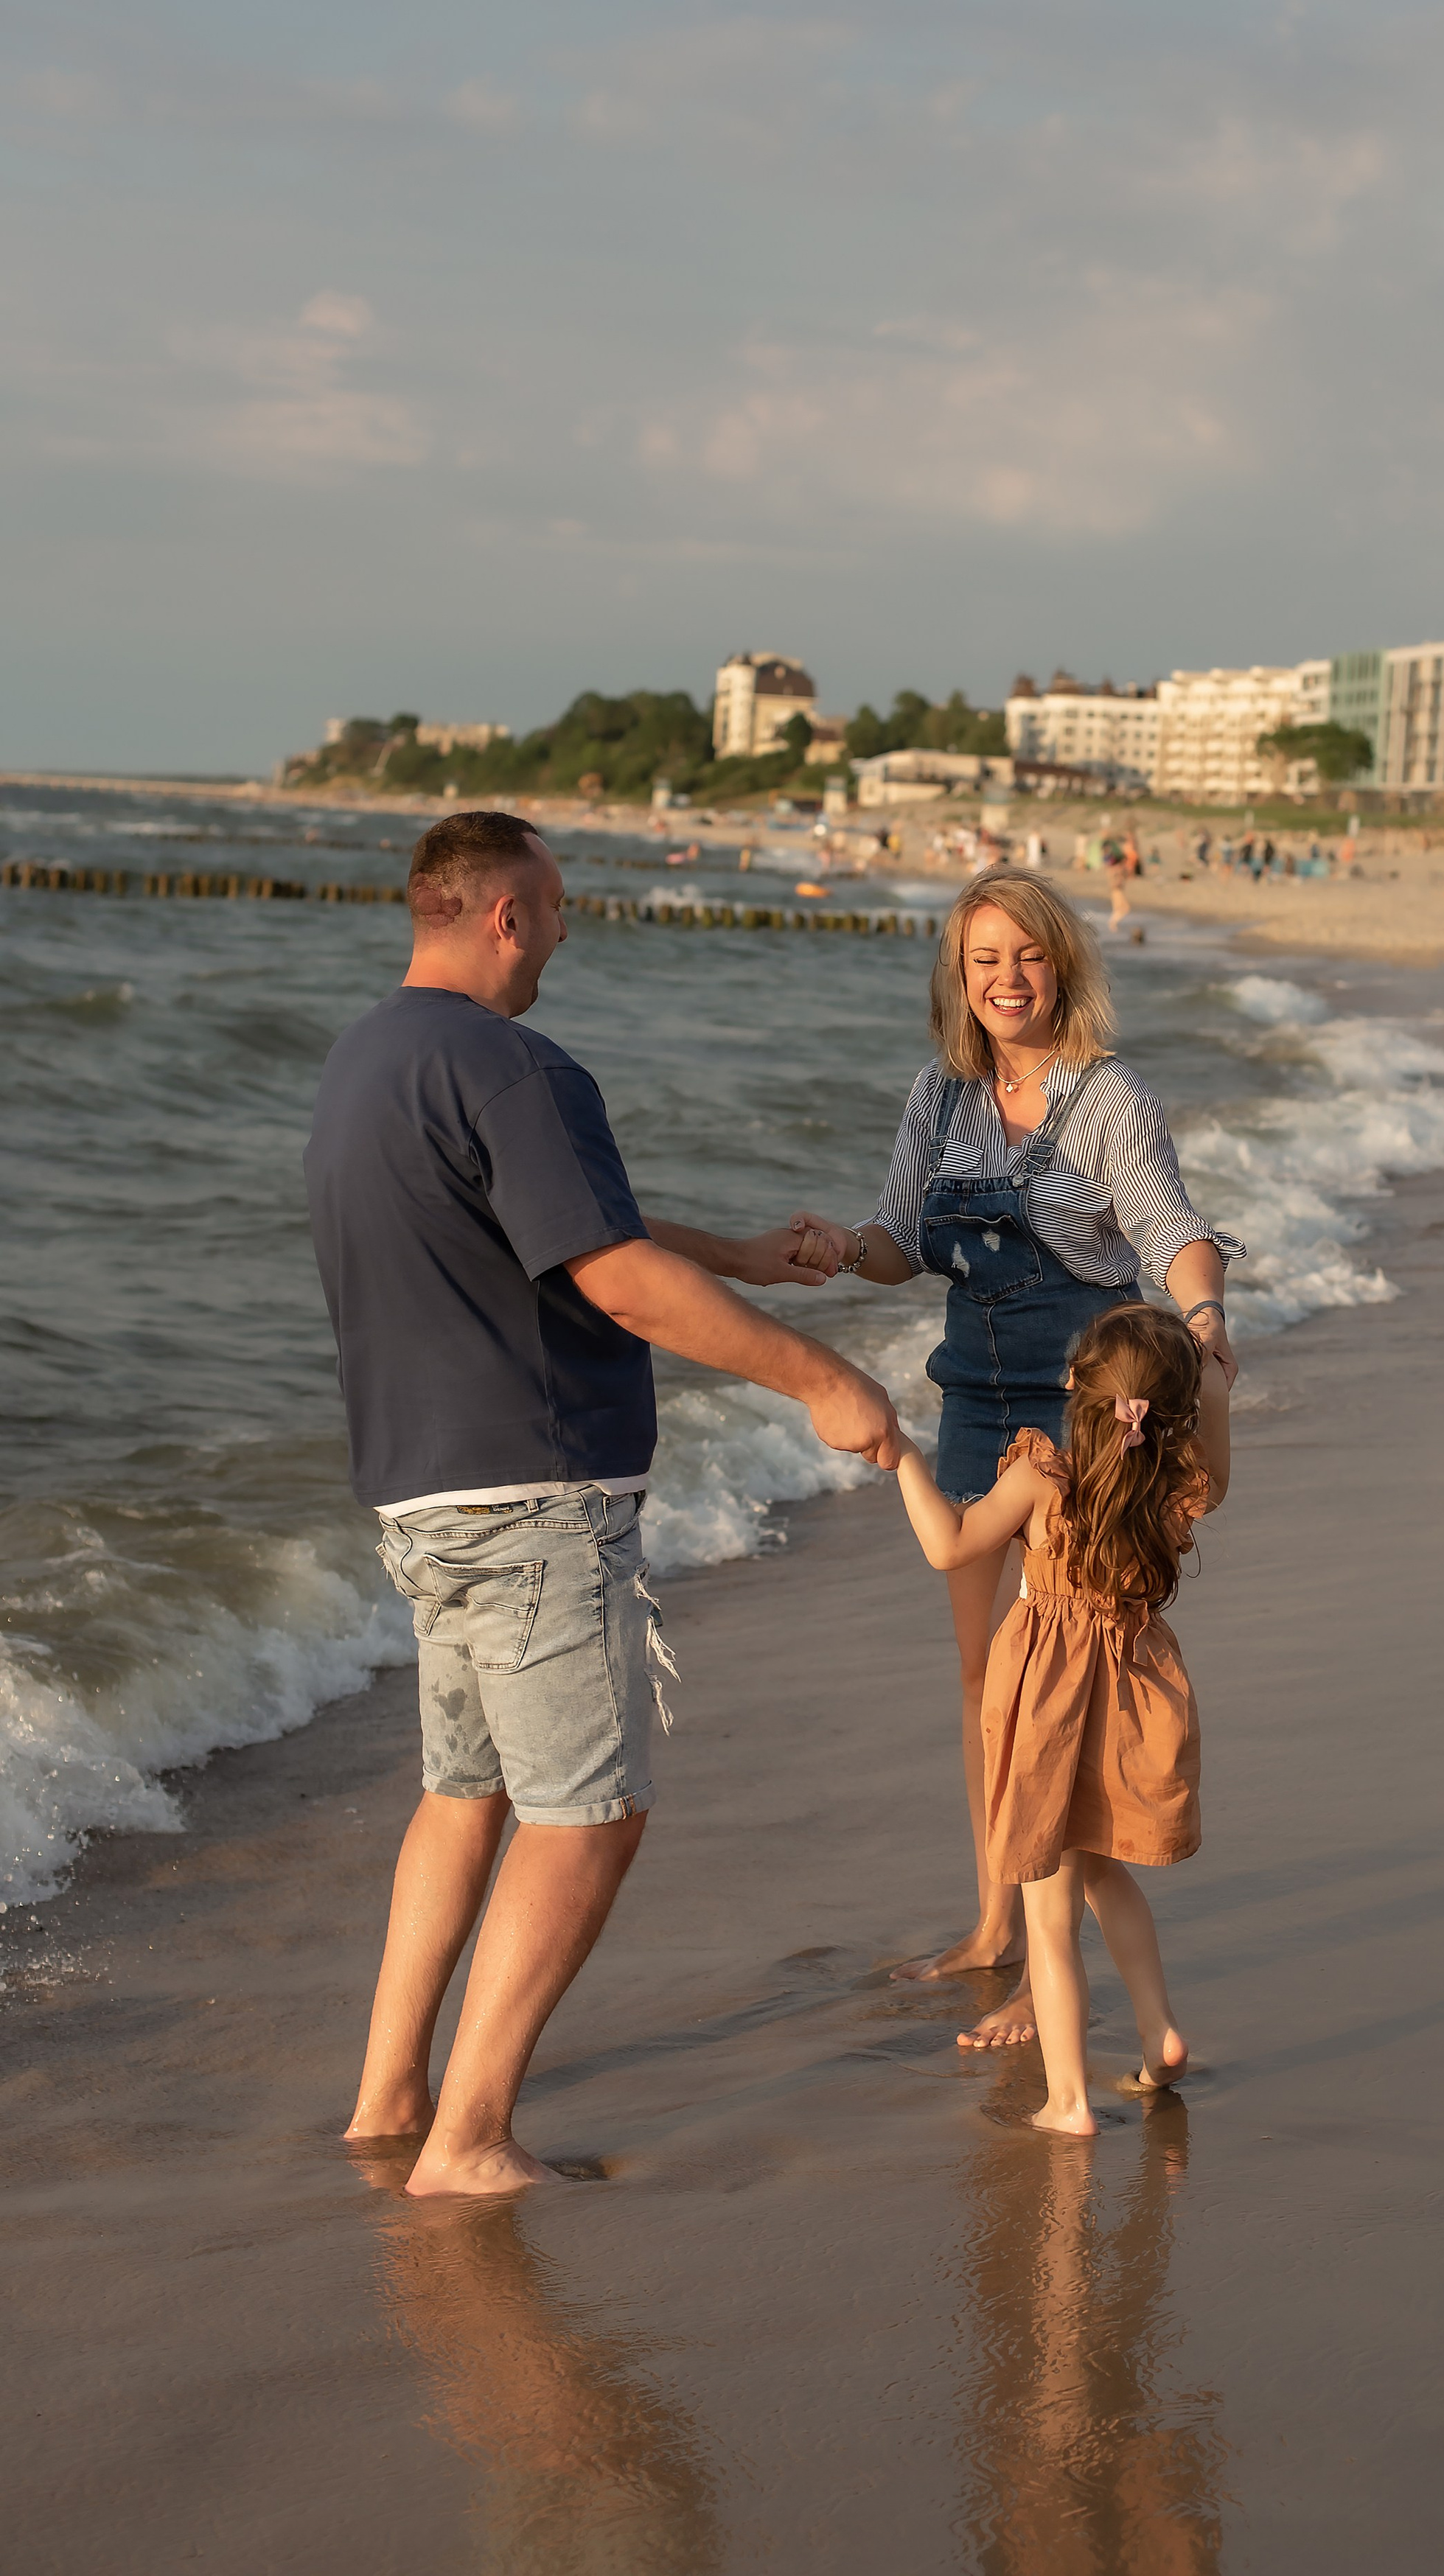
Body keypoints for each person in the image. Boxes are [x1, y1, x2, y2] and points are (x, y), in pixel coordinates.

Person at [304, 811, 899, 2197]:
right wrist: (819, 1379)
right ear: (504, 912)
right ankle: (470, 2139)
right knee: (590, 1812)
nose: (565, 934)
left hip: (420, 1496)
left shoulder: (363, 1061)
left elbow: (579, 1235)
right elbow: (613, 1282)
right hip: (536, 1497)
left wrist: (742, 1256)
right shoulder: (515, 1064)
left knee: (466, 1792)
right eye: (557, 907)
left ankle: (392, 2096)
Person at [786, 873, 1240, 2049]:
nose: (1006, 977)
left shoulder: (1108, 1096)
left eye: (1028, 955)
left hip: (1084, 1427)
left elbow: (1171, 1227)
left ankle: (1055, 1967)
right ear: (958, 973)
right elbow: (901, 1243)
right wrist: (845, 1246)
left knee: (1066, 1686)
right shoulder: (939, 1100)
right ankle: (999, 1921)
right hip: (973, 1411)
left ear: (1064, 967)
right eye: (983, 956)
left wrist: (1202, 1320)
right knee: (991, 1690)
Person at [893, 1305, 1231, 2133]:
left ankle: (1067, 2100)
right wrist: (1211, 1376)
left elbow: (948, 1546)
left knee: (1048, 1912)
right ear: (1172, 1409)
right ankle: (1159, 2031)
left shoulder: (1040, 1479)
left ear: (1073, 1383)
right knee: (1102, 1874)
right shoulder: (1178, 1487)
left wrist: (898, 1456)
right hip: (1127, 1702)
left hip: (1047, 1707)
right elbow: (1212, 1429)